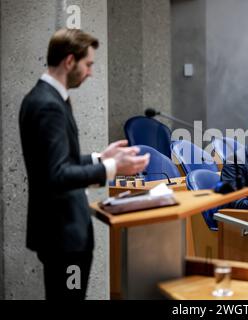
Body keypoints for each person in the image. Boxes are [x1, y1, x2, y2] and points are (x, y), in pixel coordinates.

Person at [19, 28, 150, 300]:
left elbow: (55, 161)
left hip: (62, 233)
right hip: (63, 235)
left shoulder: (47, 98)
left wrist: (101, 159)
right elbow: (57, 175)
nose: (90, 72)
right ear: (69, 61)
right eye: (88, 64)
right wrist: (113, 169)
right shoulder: (48, 105)